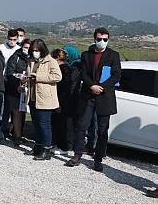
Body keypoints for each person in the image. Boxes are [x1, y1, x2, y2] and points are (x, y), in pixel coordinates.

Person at [67, 27, 120, 172]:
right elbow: (83, 73)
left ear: (108, 40)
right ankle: (77, 155)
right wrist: (92, 86)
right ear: (94, 39)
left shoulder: (113, 55)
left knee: (102, 130)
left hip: (105, 96)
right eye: (99, 39)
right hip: (88, 96)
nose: (102, 42)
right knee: (81, 125)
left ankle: (98, 159)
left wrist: (101, 87)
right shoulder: (86, 55)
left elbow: (116, 75)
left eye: (105, 39)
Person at [22, 39, 62, 160]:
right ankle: (38, 146)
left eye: (37, 50)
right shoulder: (31, 61)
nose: (35, 52)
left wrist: (38, 76)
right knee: (37, 124)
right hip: (33, 96)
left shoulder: (51, 61)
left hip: (45, 98)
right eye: (33, 50)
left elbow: (57, 76)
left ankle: (46, 149)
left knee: (44, 125)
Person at [2, 39, 31, 145]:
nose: (27, 50)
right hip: (14, 88)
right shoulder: (15, 57)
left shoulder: (31, 58)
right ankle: (17, 136)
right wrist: (19, 78)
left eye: (29, 48)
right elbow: (10, 73)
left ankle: (19, 133)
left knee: (22, 112)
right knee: (16, 112)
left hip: (26, 89)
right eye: (25, 47)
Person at [51, 48, 71, 155]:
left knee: (61, 125)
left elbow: (64, 89)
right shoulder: (64, 68)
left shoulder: (64, 70)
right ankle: (58, 144)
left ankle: (63, 147)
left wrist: (59, 103)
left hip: (61, 102)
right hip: (60, 100)